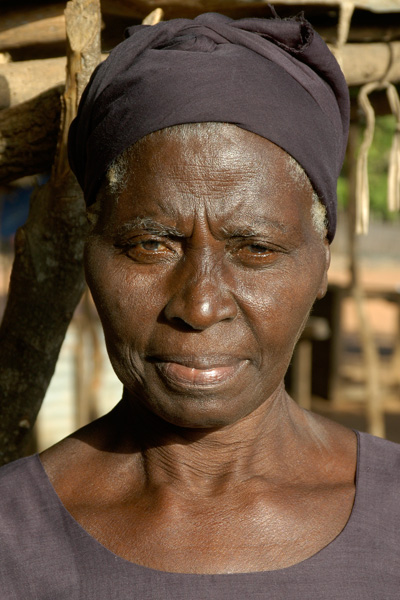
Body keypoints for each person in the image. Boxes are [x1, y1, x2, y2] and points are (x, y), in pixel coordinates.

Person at [1, 11, 399, 599]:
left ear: (322, 264)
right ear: (91, 254)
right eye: (151, 244)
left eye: (256, 249)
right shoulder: (11, 542)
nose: (201, 304)